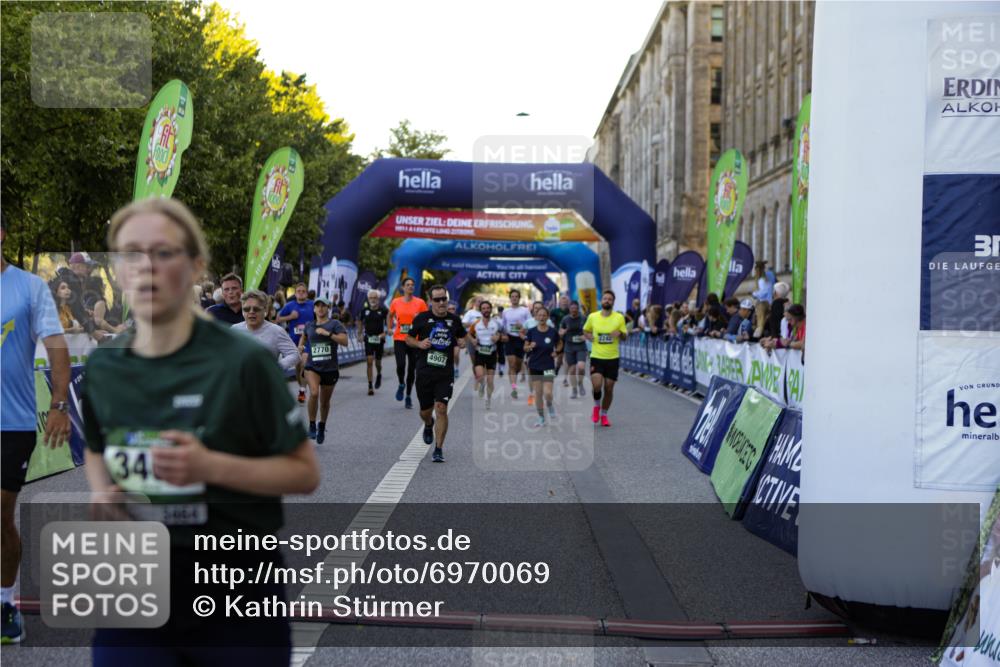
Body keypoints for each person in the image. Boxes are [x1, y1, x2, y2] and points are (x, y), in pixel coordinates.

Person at [81, 198, 318, 665]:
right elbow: (95, 445)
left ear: (194, 267)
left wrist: (208, 466)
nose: (147, 267)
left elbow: (304, 473)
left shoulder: (244, 362)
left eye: (163, 252)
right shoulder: (105, 365)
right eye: (131, 254)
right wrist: (103, 490)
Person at [1, 216, 71, 645]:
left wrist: (60, 405)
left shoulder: (28, 287)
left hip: (9, 423)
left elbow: (56, 346)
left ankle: (5, 602)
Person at [406, 285, 466, 463]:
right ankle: (428, 423)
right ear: (430, 301)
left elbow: (462, 336)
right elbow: (408, 338)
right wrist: (419, 344)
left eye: (444, 299)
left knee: (441, 408)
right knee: (425, 411)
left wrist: (462, 342)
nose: (441, 302)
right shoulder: (421, 318)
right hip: (424, 372)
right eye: (437, 299)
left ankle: (438, 449)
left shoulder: (454, 320)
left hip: (444, 373)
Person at [297, 297, 348, 444]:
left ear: (328, 308)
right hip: (312, 366)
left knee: (324, 402)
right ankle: (312, 424)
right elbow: (304, 337)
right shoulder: (309, 325)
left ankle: (322, 425)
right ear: (314, 309)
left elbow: (345, 342)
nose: (320, 308)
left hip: (330, 368)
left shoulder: (335, 324)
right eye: (317, 306)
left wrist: (328, 334)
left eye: (323, 306)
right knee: (314, 393)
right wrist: (301, 347)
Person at [583, 290, 628, 427]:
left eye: (610, 299)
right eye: (605, 298)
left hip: (612, 358)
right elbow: (585, 330)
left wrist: (620, 333)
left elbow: (625, 336)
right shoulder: (593, 316)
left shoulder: (619, 318)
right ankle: (596, 406)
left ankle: (604, 414)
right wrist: (588, 336)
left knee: (608, 388)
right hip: (597, 356)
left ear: (613, 302)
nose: (607, 300)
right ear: (601, 301)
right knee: (597, 385)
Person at [231, 290, 299, 375]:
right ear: (242, 311)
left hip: (266, 381)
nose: (251, 312)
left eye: (256, 309)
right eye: (247, 309)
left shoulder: (276, 331)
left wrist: (275, 367)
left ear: (265, 310)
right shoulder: (234, 329)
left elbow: (294, 354)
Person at [388, 277, 428, 409]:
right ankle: (401, 384)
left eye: (412, 285)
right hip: (400, 338)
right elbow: (390, 315)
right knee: (400, 365)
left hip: (414, 340)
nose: (410, 287)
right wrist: (389, 327)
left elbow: (426, 319)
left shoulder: (420, 303)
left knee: (412, 369)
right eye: (408, 285)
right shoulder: (396, 302)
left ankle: (408, 396)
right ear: (403, 288)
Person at [524, 305, 562, 427]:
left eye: (544, 315)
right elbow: (525, 347)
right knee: (538, 393)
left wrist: (557, 352)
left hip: (548, 365)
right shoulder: (531, 331)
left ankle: (549, 405)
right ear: (535, 317)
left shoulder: (552, 331)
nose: (541, 317)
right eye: (539, 315)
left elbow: (560, 343)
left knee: (548, 393)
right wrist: (529, 346)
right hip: (534, 365)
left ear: (547, 317)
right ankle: (541, 417)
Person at [276, 282, 314, 404]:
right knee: (298, 367)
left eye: (303, 291)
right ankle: (302, 387)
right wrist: (290, 317)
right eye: (299, 291)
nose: (301, 293)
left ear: (306, 293)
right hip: (294, 340)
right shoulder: (289, 305)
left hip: (308, 339)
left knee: (304, 363)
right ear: (295, 293)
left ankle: (302, 390)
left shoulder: (312, 304)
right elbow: (277, 319)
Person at [469, 300, 501, 408]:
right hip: (480, 352)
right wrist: (473, 340)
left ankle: (488, 399)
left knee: (490, 381)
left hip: (492, 353)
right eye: (483, 308)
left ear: (491, 309)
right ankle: (482, 385)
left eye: (488, 308)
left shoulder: (497, 323)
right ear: (481, 310)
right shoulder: (476, 323)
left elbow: (503, 335)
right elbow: (469, 334)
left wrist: (498, 337)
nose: (486, 310)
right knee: (480, 375)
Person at [500, 289, 530, 399]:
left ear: (519, 298)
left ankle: (515, 375)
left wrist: (522, 326)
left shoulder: (525, 310)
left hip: (521, 339)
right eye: (512, 296)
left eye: (516, 296)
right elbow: (503, 326)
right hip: (510, 339)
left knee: (518, 365)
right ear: (510, 298)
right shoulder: (506, 311)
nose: (514, 298)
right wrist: (503, 335)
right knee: (512, 364)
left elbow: (530, 325)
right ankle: (514, 388)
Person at [357, 289, 388, 396]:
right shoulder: (364, 310)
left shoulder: (383, 310)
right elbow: (359, 321)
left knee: (378, 363)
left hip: (379, 339)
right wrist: (360, 333)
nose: (373, 300)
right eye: (371, 298)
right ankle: (370, 386)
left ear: (378, 299)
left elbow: (389, 323)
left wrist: (385, 332)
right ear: (368, 299)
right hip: (368, 338)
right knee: (369, 361)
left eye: (375, 298)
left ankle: (379, 373)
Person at [559, 301, 588, 399]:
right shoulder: (565, 319)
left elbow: (589, 330)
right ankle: (574, 389)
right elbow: (560, 331)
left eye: (575, 308)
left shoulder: (583, 318)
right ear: (569, 309)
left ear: (578, 309)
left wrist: (585, 336)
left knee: (581, 367)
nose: (574, 310)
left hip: (581, 346)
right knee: (572, 370)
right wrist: (562, 332)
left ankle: (580, 383)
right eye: (572, 308)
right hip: (569, 346)